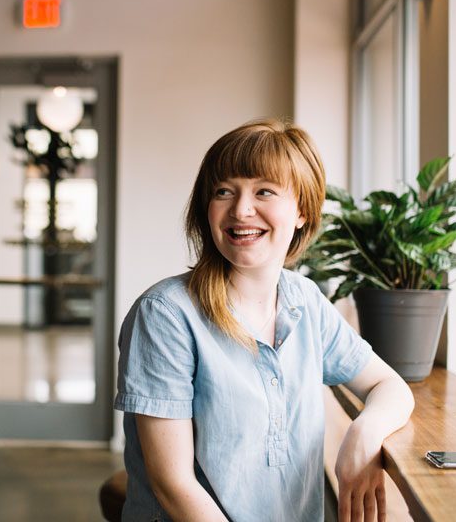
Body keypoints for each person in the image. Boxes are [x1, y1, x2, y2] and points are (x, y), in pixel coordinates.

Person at [114, 119, 414, 521]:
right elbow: (174, 486)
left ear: (303, 211)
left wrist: (364, 433)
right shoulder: (165, 314)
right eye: (224, 191)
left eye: (264, 191)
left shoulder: (304, 300)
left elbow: (389, 385)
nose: (241, 210)